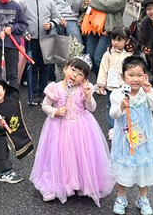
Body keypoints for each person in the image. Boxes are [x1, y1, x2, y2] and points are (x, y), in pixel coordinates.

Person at [30, 55, 113, 206]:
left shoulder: (83, 89)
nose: (75, 75)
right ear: (65, 69)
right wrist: (55, 111)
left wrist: (88, 96)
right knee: (59, 155)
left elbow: (91, 108)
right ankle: (55, 185)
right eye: (73, 70)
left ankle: (82, 182)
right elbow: (45, 105)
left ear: (84, 79)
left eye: (80, 74)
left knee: (80, 155)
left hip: (81, 126)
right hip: (59, 127)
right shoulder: (55, 88)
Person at [110, 57, 153, 215]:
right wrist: (121, 106)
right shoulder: (117, 94)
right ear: (123, 76)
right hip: (124, 140)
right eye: (131, 75)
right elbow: (113, 115)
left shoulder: (146, 92)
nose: (135, 79)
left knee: (143, 168)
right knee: (123, 168)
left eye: (139, 75)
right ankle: (121, 197)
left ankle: (143, 198)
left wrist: (149, 92)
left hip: (144, 139)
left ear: (145, 76)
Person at [20, 0, 61, 105]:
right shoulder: (24, 1)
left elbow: (57, 17)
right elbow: (19, 20)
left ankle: (43, 92)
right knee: (32, 67)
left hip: (46, 39)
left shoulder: (49, 1)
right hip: (30, 40)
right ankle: (33, 94)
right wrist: (24, 33)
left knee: (44, 67)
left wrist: (51, 24)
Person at [84, 0, 127, 73]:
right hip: (93, 28)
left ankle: (107, 80)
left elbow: (115, 5)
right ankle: (99, 81)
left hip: (109, 28)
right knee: (90, 57)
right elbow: (85, 4)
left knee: (99, 58)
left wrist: (93, 1)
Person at [96, 27, 133, 139]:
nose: (115, 43)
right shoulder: (108, 54)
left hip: (123, 86)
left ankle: (125, 127)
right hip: (110, 85)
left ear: (127, 41)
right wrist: (101, 84)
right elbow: (103, 68)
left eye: (119, 40)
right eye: (113, 39)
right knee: (110, 106)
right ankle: (112, 128)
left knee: (124, 105)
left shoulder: (129, 55)